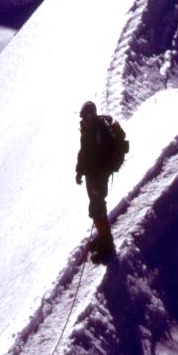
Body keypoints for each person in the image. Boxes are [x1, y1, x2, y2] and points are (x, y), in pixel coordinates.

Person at [75, 100, 116, 261]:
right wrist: (79, 171)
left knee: (97, 208)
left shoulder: (101, 132)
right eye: (84, 116)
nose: (86, 118)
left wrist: (99, 183)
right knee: (96, 208)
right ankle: (103, 238)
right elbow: (83, 153)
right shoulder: (87, 130)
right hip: (91, 177)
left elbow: (107, 159)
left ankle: (107, 245)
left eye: (89, 115)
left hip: (99, 178)